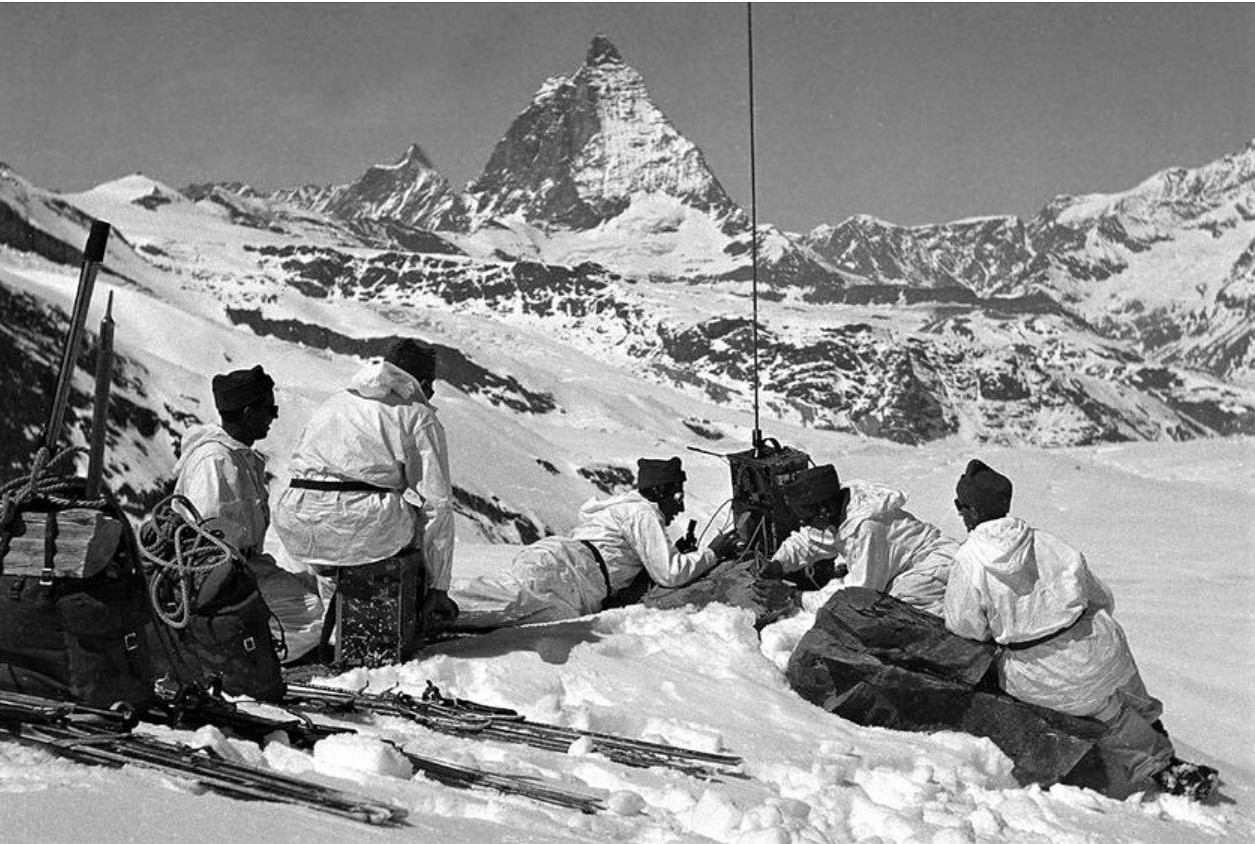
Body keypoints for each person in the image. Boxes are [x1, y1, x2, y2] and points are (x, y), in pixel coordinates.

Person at [943, 458, 1215, 799]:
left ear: (971, 509)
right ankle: (1154, 727)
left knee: (1107, 715)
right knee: (1122, 684)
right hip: (1100, 642)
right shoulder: (1048, 542)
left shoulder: (970, 561)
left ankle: (1159, 767)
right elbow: (1100, 597)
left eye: (960, 506)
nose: (959, 512)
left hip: (1041, 670)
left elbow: (963, 625)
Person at [273, 339, 458, 665]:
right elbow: (436, 504)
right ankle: (387, 626)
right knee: (409, 526)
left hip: (296, 518)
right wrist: (439, 587)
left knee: (343, 540)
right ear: (425, 384)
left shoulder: (336, 402)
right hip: (361, 523)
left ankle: (337, 622)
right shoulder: (416, 414)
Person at [454, 456, 740, 627]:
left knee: (511, 611)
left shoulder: (627, 510)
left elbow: (630, 561)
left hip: (565, 568)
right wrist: (712, 554)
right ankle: (434, 608)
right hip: (570, 573)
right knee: (510, 601)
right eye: (677, 497)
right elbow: (669, 574)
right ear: (660, 491)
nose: (679, 508)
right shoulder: (642, 513)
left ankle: (440, 611)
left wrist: (676, 551)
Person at [173, 365, 324, 663]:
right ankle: (244, 655)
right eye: (269, 409)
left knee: (314, 590)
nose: (274, 417)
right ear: (247, 413)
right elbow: (205, 543)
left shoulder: (236, 456)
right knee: (315, 614)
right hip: (223, 578)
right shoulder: (215, 461)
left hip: (245, 566)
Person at [766, 464, 958, 615]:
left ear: (823, 510)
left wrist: (797, 598)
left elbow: (858, 595)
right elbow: (810, 541)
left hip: (932, 567)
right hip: (911, 566)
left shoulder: (865, 530)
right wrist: (779, 563)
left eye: (808, 518)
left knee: (897, 612)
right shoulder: (839, 509)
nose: (806, 523)